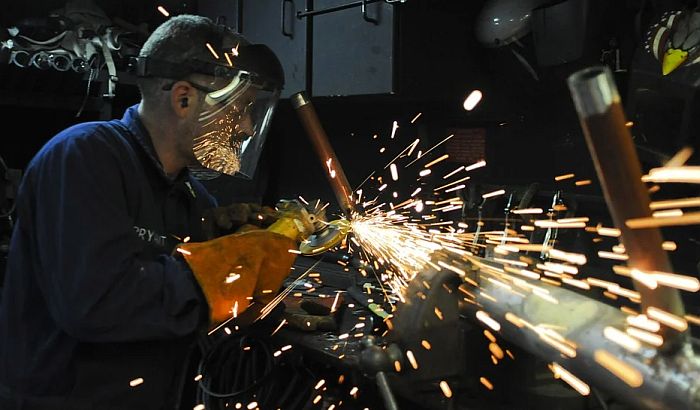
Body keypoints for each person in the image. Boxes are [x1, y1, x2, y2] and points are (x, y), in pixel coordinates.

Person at [0, 14, 289, 409]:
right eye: (241, 109)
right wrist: (217, 270)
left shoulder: (194, 197)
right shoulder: (84, 157)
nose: (247, 128)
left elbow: (183, 297)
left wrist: (234, 246)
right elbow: (95, 303)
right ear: (184, 98)